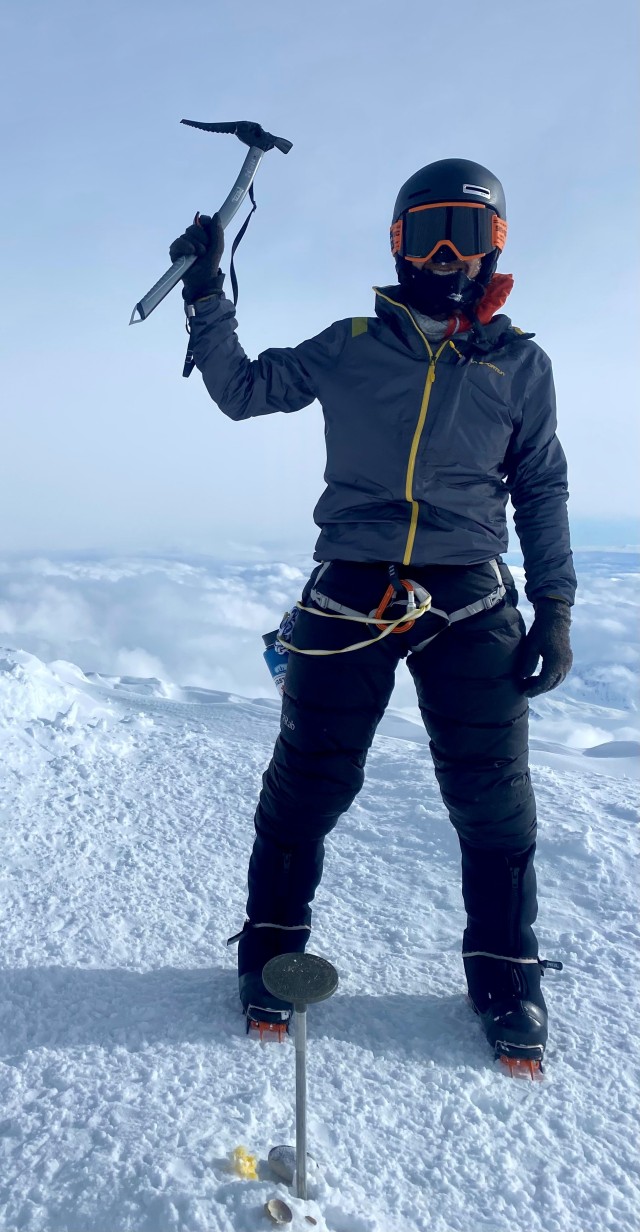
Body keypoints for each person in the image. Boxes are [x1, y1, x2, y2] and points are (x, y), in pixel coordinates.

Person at [169, 158, 576, 1066]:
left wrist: (554, 606)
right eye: (425, 231)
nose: (444, 253)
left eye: (466, 234)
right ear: (397, 243)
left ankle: (507, 970)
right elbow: (244, 391)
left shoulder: (520, 364)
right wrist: (207, 292)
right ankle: (271, 947)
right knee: (310, 778)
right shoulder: (352, 341)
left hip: (470, 595)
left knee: (493, 799)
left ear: (494, 247)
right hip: (352, 585)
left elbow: (541, 488)